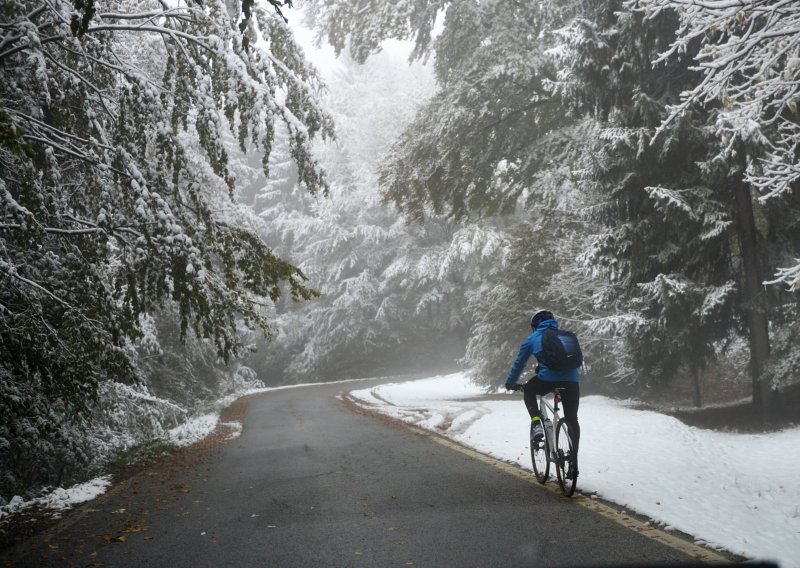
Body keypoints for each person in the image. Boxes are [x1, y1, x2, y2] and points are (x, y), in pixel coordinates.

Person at [505, 310, 581, 479]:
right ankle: (573, 463)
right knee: (572, 419)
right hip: (572, 382)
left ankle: (537, 423)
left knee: (529, 390)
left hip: (548, 381)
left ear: (535, 326)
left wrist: (511, 382)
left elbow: (519, 363)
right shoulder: (566, 335)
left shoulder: (533, 338)